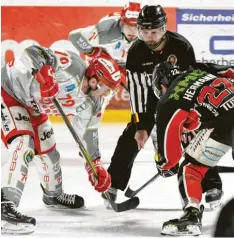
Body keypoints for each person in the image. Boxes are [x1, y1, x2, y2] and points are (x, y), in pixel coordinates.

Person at [102, 4, 223, 208]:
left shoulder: (181, 47)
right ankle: (114, 185)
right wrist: (141, 126)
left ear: (164, 29)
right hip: (150, 100)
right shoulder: (136, 52)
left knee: (193, 138)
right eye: (145, 32)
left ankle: (211, 185)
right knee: (131, 137)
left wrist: (189, 116)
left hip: (180, 98)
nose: (149, 37)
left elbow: (191, 82)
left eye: (154, 32)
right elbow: (138, 91)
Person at [1, 45, 122, 234]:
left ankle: (53, 196)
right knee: (24, 143)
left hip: (34, 107)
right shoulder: (71, 65)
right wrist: (45, 71)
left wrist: (94, 166)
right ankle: (5, 206)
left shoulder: (93, 103)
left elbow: (87, 135)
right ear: (93, 81)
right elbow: (32, 52)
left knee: (50, 153)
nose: (108, 95)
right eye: (107, 88)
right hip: (8, 90)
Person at [151, 61, 234, 236]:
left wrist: (164, 165)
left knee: (191, 169)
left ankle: (191, 217)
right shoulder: (198, 70)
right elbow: (230, 72)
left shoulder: (169, 100)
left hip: (224, 126)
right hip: (223, 124)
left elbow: (169, 157)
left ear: (161, 84)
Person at [69, 1, 141, 68]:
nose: (133, 32)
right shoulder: (105, 31)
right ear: (122, 23)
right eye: (129, 26)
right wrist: (94, 53)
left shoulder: (147, 32)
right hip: (105, 61)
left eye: (136, 27)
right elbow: (75, 36)